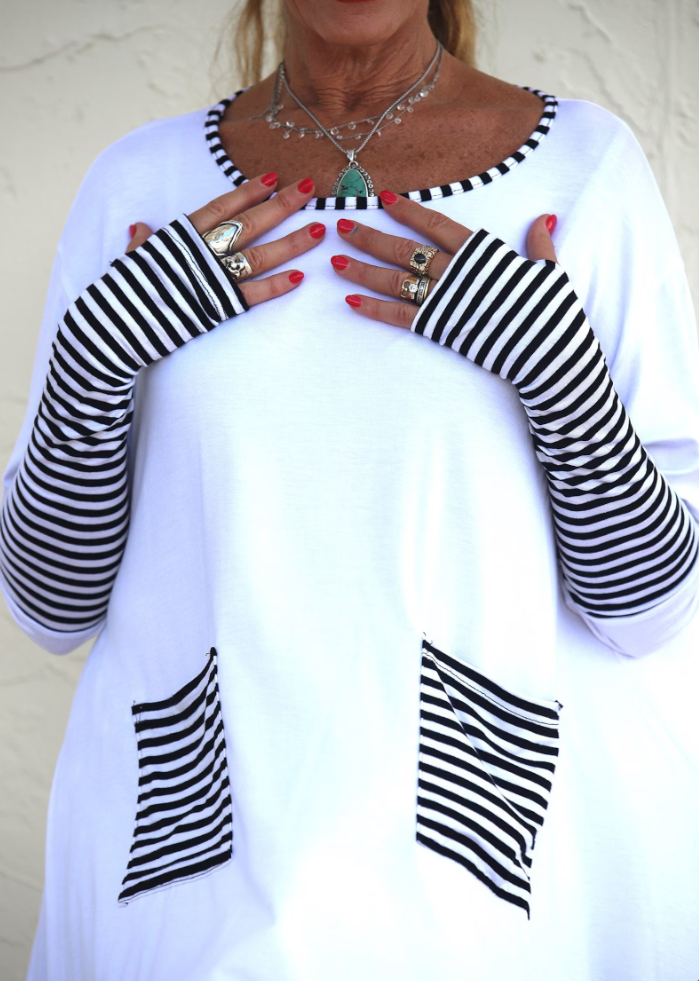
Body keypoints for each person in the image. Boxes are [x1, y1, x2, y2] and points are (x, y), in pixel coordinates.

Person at [2, 0, 699, 977]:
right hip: (198, 879)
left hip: (477, 884)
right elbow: (51, 606)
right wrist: (91, 365)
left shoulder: (585, 171)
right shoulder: (137, 184)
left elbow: (646, 614)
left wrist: (563, 383)